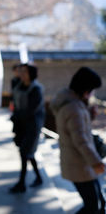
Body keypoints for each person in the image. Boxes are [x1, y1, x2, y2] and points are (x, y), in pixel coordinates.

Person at [50, 67, 105, 213]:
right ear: (85, 89)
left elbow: (78, 130)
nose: (92, 93)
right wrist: (96, 162)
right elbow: (81, 140)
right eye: (92, 89)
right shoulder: (74, 108)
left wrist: (89, 116)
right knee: (93, 206)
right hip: (80, 165)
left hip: (78, 163)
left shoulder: (70, 103)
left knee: (97, 202)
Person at [10, 64, 45, 193]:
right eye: (21, 71)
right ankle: (38, 177)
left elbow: (32, 110)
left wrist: (17, 116)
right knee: (28, 153)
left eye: (25, 71)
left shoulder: (36, 89)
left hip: (32, 126)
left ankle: (21, 183)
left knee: (25, 152)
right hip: (20, 124)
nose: (22, 74)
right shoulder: (18, 85)